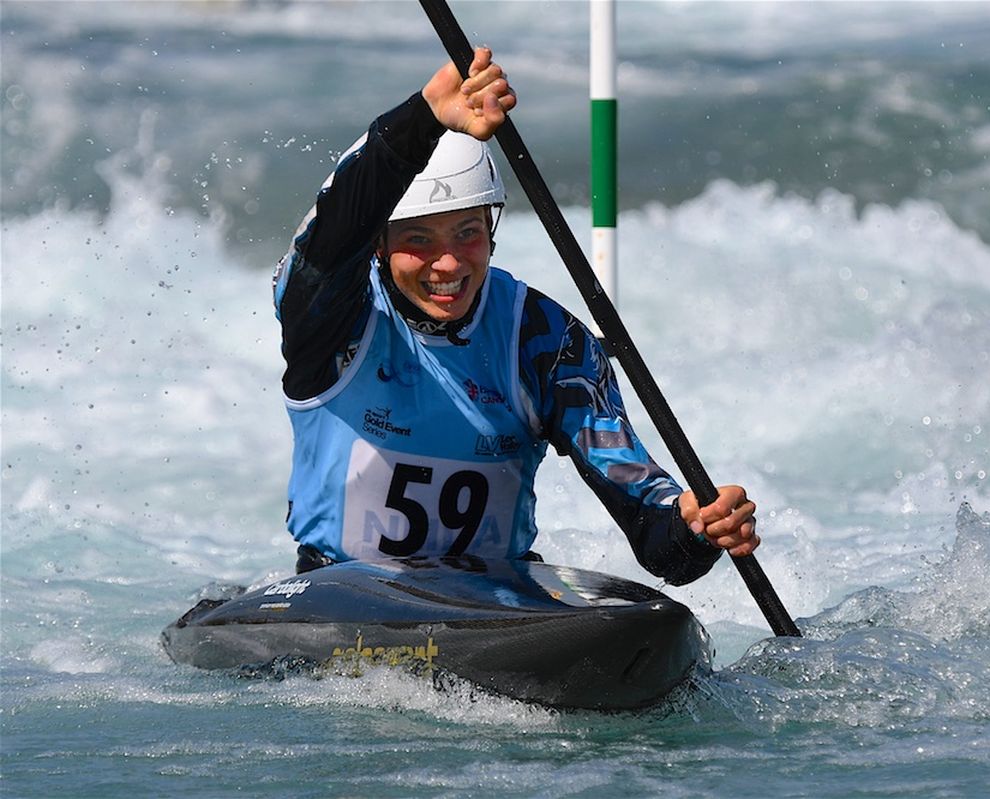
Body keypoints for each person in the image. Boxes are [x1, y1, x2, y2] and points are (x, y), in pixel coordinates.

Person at [272, 47, 759, 583]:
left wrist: (691, 527)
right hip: (340, 589)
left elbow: (651, 533)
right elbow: (333, 230)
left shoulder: (545, 341)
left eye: (468, 233)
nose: (450, 263)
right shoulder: (332, 315)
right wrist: (424, 118)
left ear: (492, 228)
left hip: (492, 602)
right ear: (380, 246)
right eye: (418, 240)